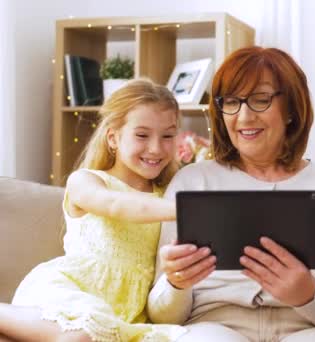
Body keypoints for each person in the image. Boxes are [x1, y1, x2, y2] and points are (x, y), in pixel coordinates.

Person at [147, 46, 315, 341]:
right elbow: (161, 316)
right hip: (213, 325)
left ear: (291, 109)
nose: (244, 116)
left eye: (260, 100)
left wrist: (309, 294)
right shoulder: (193, 181)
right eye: (231, 102)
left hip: (308, 328)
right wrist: (176, 284)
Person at [0, 79, 186, 342]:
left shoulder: (166, 193)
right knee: (82, 336)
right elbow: (116, 204)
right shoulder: (86, 181)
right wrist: (186, 208)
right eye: (142, 135)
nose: (156, 148)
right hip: (68, 293)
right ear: (113, 138)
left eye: (167, 135)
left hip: (125, 312)